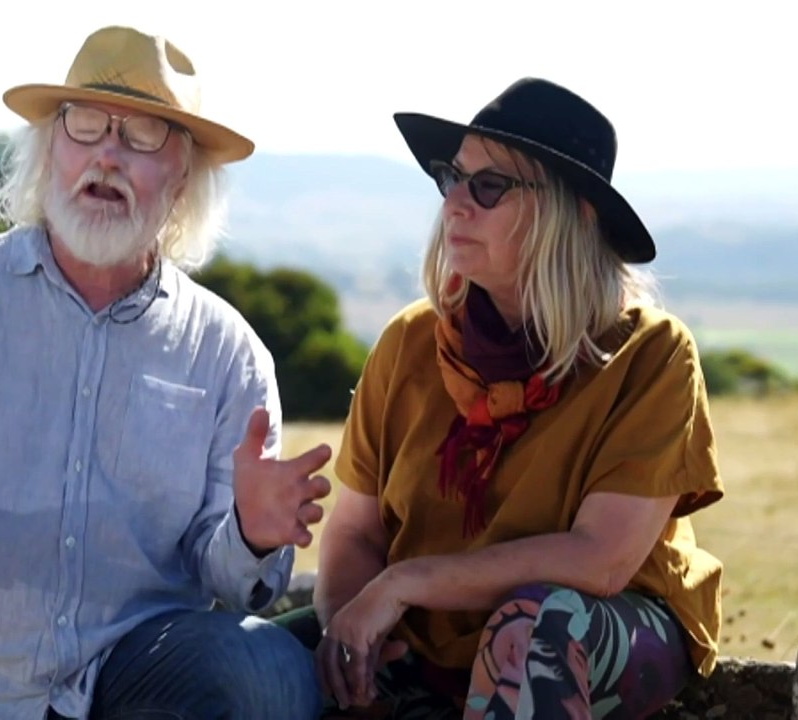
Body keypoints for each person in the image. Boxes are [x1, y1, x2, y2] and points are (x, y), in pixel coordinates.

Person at [0, 25, 332, 720]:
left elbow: (234, 581)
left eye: (142, 135)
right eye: (84, 125)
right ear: (50, 148)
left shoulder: (228, 353)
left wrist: (251, 534)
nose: (107, 155)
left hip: (133, 686)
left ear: (182, 177)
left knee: (271, 669)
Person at [307, 78, 726, 719]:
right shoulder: (410, 341)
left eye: (489, 185)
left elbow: (601, 560)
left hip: (595, 623)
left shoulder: (652, 355)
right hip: (433, 635)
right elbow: (355, 530)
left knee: (531, 629)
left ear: (573, 214)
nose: (454, 204)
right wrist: (351, 635)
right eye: (452, 177)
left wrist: (405, 581)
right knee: (247, 664)